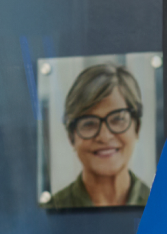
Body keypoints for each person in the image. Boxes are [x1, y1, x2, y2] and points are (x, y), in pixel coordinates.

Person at [44, 63, 151, 210]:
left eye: (118, 119)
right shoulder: (51, 211)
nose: (105, 137)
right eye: (89, 123)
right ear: (71, 137)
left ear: (137, 127)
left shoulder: (163, 206)